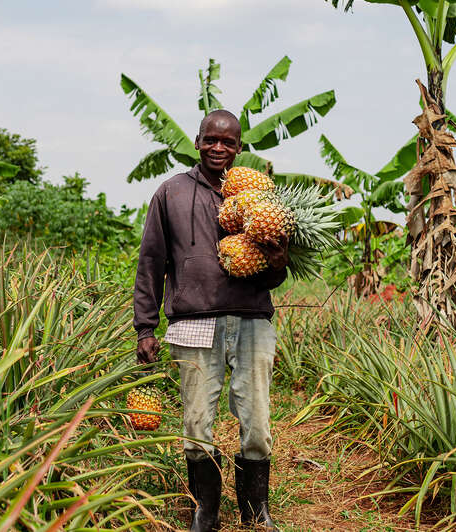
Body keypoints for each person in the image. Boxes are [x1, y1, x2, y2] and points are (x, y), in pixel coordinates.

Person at [133, 109, 287, 532]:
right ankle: (207, 510)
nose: (219, 148)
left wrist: (279, 260)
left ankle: (256, 512)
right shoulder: (171, 193)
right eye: (211, 140)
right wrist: (145, 327)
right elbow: (150, 262)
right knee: (196, 422)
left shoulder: (261, 198)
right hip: (192, 320)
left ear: (239, 147)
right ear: (197, 141)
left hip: (252, 317)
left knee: (257, 421)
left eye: (229, 142)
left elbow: (275, 272)